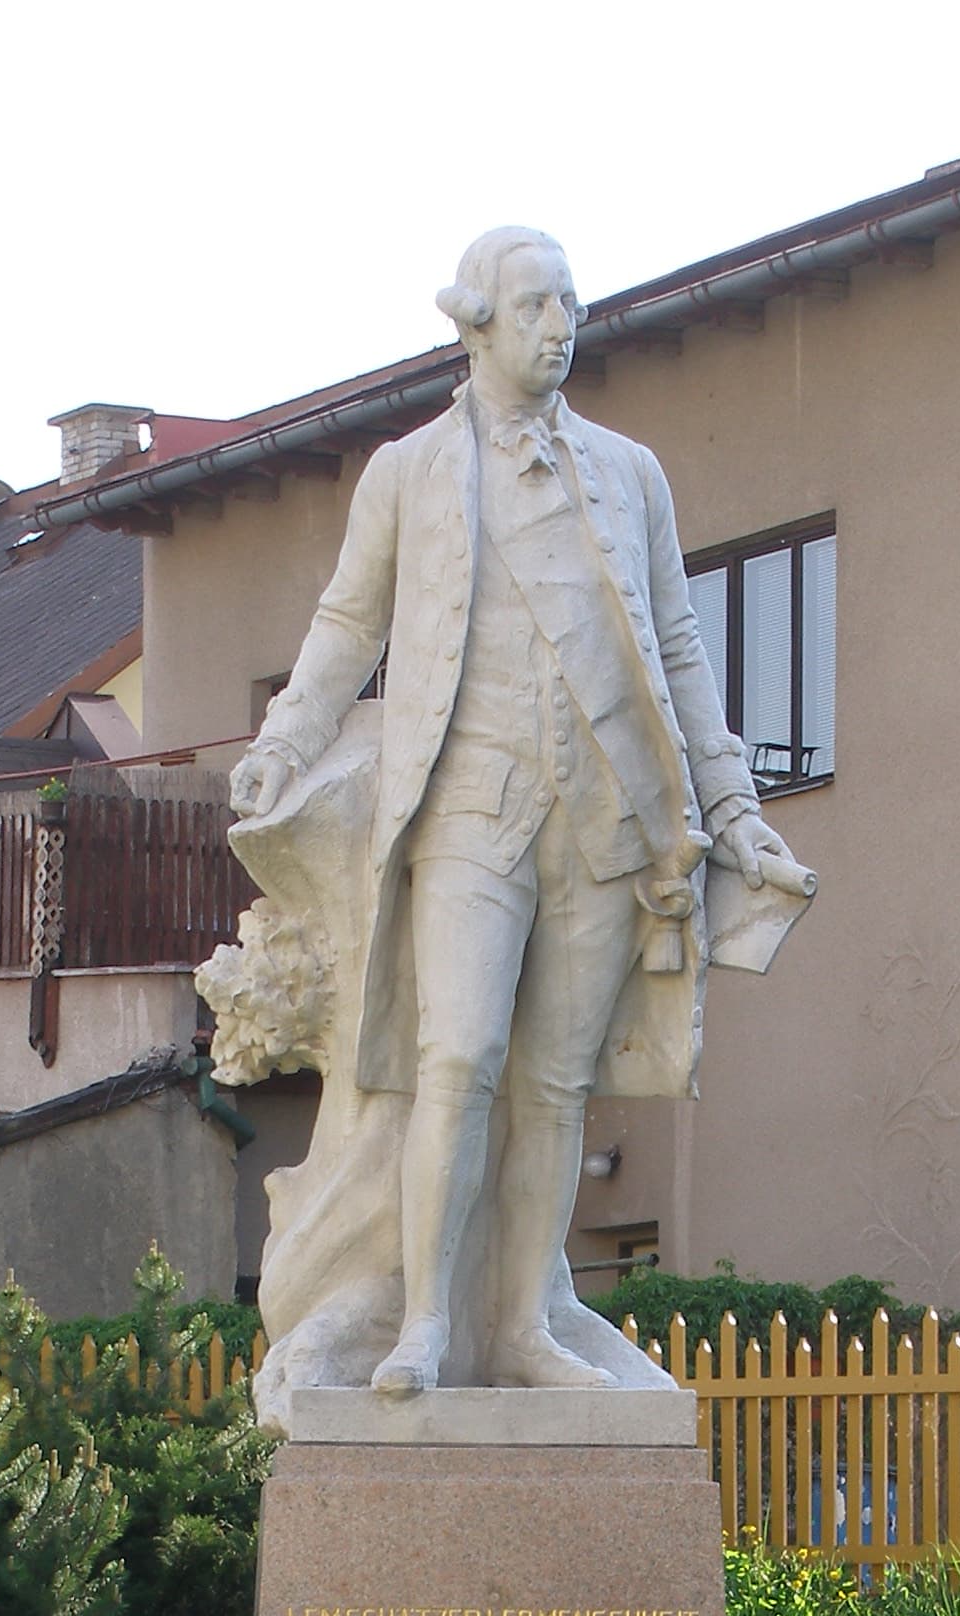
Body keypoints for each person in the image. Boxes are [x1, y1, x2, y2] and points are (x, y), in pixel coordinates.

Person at [222, 225, 813, 1403]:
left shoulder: (630, 473)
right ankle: (427, 1322)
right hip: (467, 812)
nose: (562, 327)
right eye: (538, 307)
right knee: (460, 1054)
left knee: (555, 1084)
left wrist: (733, 804)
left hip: (604, 816)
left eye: (571, 307)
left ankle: (529, 1324)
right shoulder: (409, 473)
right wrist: (284, 739)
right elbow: (350, 627)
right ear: (475, 321)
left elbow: (681, 648)